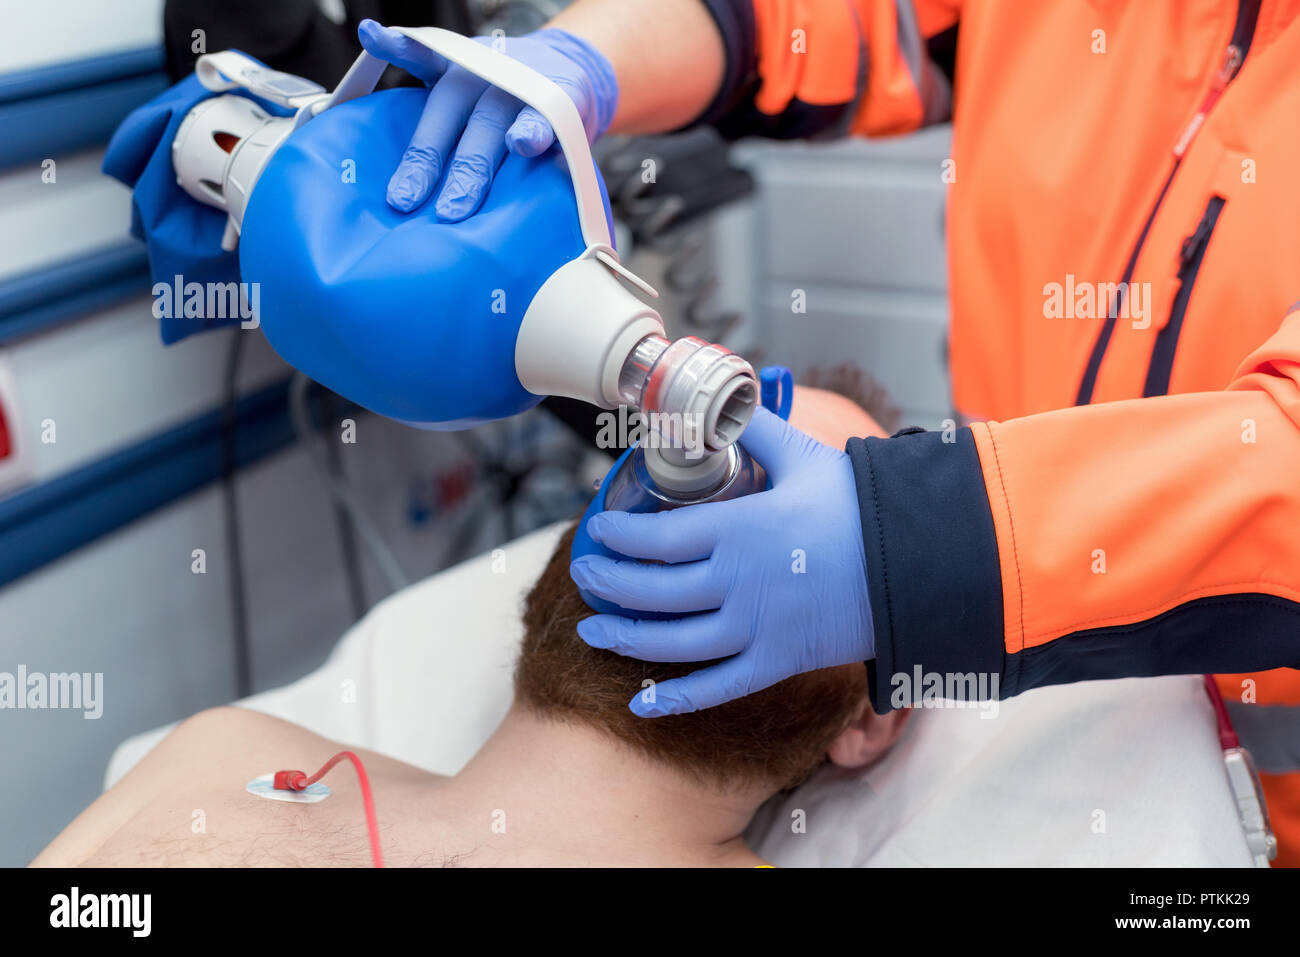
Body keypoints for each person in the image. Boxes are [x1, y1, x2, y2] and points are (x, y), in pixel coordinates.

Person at [358, 1, 1300, 865]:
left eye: (841, 485)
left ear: (874, 718)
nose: (703, 444)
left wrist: (917, 547)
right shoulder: (241, 755)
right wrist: (594, 53)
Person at [32, 394, 905, 867]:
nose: (724, 480)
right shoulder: (223, 752)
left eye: (825, 508)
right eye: (729, 433)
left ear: (872, 717)